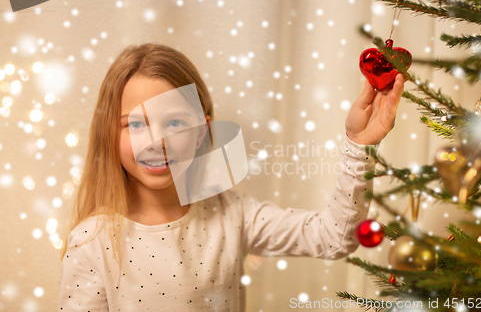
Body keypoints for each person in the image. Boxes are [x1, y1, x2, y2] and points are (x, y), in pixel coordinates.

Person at [58, 43, 405, 311]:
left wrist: (358, 147)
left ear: (200, 132)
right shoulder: (91, 242)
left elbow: (334, 238)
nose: (156, 142)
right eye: (135, 124)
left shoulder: (231, 213)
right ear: (109, 133)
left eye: (175, 122)